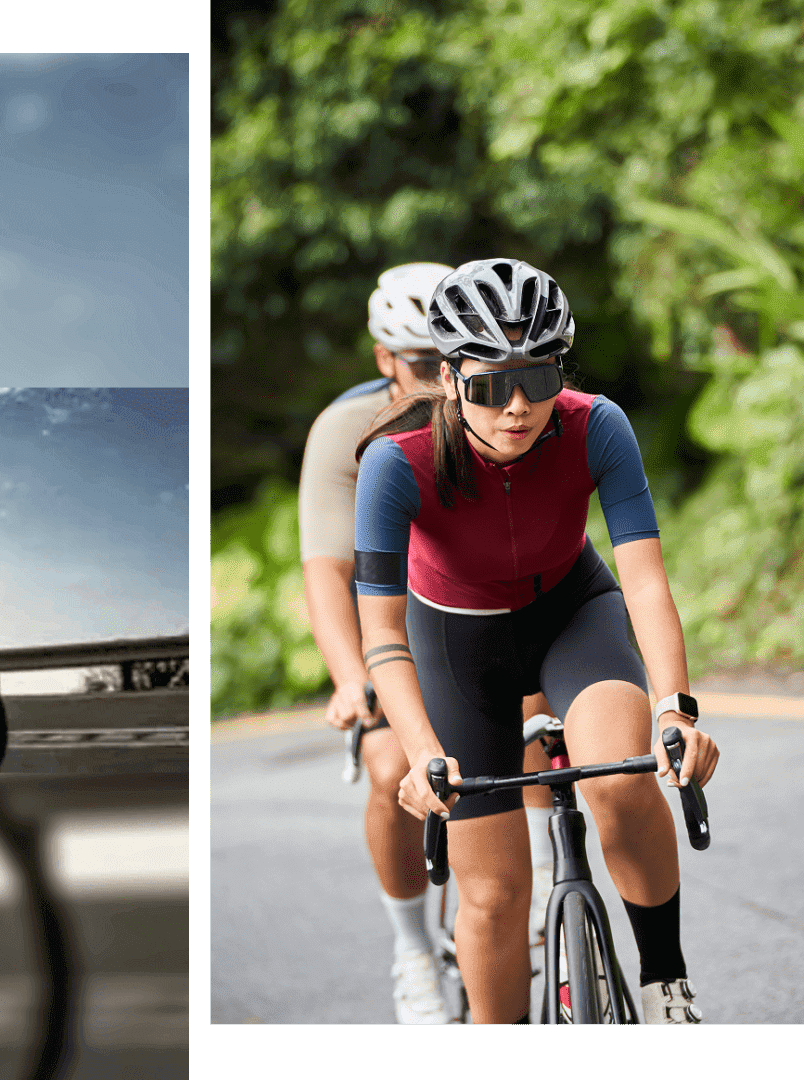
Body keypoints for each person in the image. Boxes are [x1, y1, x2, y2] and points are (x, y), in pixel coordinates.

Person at [352, 258, 719, 1024]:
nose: (517, 407)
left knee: (618, 782)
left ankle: (664, 987)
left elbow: (644, 582)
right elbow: (382, 637)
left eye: (540, 378)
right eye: (489, 385)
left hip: (571, 616)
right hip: (456, 646)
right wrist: (422, 754)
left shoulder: (596, 424)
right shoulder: (395, 464)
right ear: (449, 379)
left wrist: (675, 710)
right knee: (490, 895)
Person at [299, 262, 559, 1024]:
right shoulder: (349, 432)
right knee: (389, 768)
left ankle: (539, 878)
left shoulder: (498, 405)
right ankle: (413, 947)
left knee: (534, 708)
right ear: (384, 360)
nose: (426, 382)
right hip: (395, 615)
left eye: (439, 359)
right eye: (413, 365)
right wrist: (351, 678)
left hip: (481, 603)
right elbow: (326, 567)